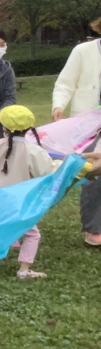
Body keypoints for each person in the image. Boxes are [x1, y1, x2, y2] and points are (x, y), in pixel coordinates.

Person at [0, 105, 55, 278]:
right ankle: (23, 270)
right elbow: (47, 171)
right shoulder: (33, 151)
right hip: (18, 203)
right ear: (29, 128)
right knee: (32, 234)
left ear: (4, 128)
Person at [52, 17, 101, 246]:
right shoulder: (83, 51)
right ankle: (94, 227)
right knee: (94, 172)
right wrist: (59, 105)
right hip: (88, 122)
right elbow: (65, 82)